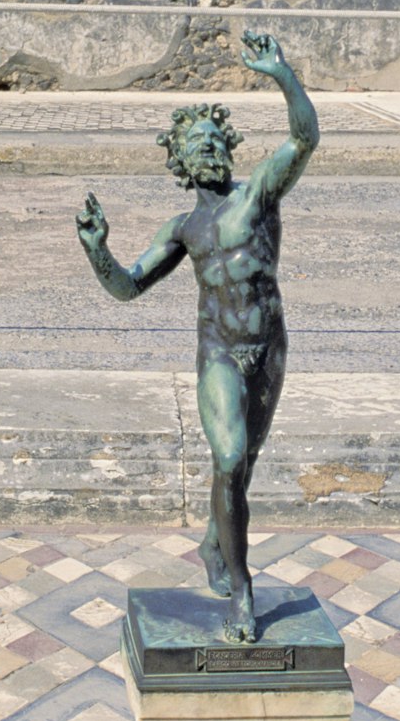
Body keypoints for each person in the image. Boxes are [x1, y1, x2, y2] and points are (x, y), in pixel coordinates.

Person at [76, 33, 319, 643]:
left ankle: (216, 543)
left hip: (271, 346)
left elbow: (304, 139)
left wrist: (283, 75)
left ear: (229, 148)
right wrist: (97, 251)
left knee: (243, 466)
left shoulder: (258, 194)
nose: (207, 146)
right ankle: (243, 593)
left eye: (214, 138)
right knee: (230, 459)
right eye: (194, 143)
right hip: (219, 354)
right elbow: (129, 287)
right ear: (181, 163)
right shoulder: (185, 228)